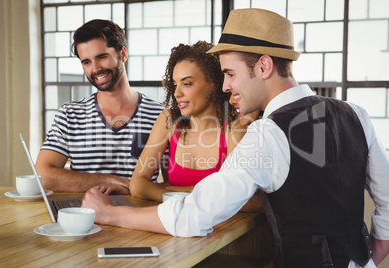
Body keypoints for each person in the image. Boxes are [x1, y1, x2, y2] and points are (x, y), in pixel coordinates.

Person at [81, 9, 389, 267]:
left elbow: (193, 217)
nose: (226, 86)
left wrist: (108, 213)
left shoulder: (266, 134)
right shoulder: (356, 113)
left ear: (264, 65)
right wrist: (370, 258)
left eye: (230, 73)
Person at [96, 41, 262, 212]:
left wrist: (168, 191)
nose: (177, 93)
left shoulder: (235, 129)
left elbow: (236, 198)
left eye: (187, 84)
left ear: (214, 84)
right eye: (175, 85)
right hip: (177, 222)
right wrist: (186, 196)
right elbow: (138, 184)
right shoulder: (168, 120)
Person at [35, 19, 165, 193]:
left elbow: (172, 184)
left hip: (140, 215)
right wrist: (112, 180)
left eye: (102, 57)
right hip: (84, 217)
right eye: (86, 62)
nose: (95, 69)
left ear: (123, 54)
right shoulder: (69, 115)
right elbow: (44, 176)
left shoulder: (160, 115)